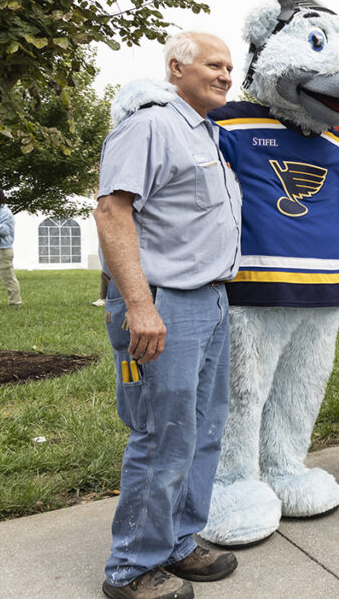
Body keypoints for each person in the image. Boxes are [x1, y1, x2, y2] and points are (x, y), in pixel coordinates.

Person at [95, 32, 243, 598]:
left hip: (209, 299)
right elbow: (112, 211)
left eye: (230, 66)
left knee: (202, 429)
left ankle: (177, 540)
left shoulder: (204, 131)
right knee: (161, 435)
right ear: (177, 67)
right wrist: (138, 305)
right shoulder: (151, 124)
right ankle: (131, 568)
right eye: (214, 64)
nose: (226, 74)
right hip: (162, 304)